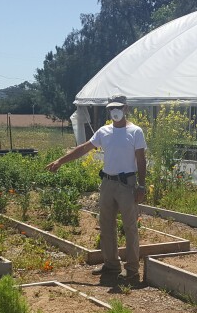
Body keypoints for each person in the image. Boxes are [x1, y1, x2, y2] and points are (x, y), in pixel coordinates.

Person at [45, 94, 147, 278]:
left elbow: (141, 159)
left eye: (119, 108)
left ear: (126, 109)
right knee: (106, 225)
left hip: (127, 184)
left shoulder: (135, 132)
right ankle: (111, 265)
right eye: (111, 108)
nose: (115, 111)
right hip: (108, 183)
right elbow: (84, 148)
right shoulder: (104, 131)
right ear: (109, 110)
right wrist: (61, 160)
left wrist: (142, 185)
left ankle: (132, 269)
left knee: (130, 227)